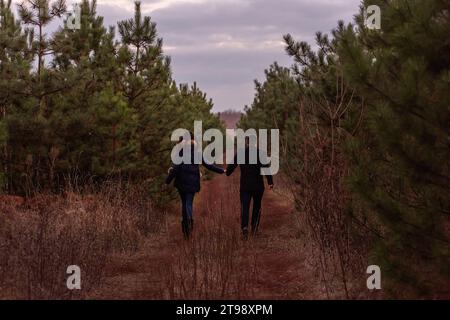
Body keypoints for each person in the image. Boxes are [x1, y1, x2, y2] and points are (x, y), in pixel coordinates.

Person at [166, 133, 225, 239]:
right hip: (193, 182)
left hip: (181, 182)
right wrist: (221, 170)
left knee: (184, 203)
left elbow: (175, 168)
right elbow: (208, 165)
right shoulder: (197, 152)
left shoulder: (180, 152)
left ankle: (186, 228)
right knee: (188, 203)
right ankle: (189, 223)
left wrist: (168, 180)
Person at [226, 137, 274, 239]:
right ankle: (255, 229)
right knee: (257, 206)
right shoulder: (260, 153)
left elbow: (232, 166)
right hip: (258, 186)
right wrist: (270, 182)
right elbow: (266, 168)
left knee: (245, 207)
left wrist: (227, 172)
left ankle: (244, 228)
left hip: (245, 186)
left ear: (246, 142)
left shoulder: (241, 153)